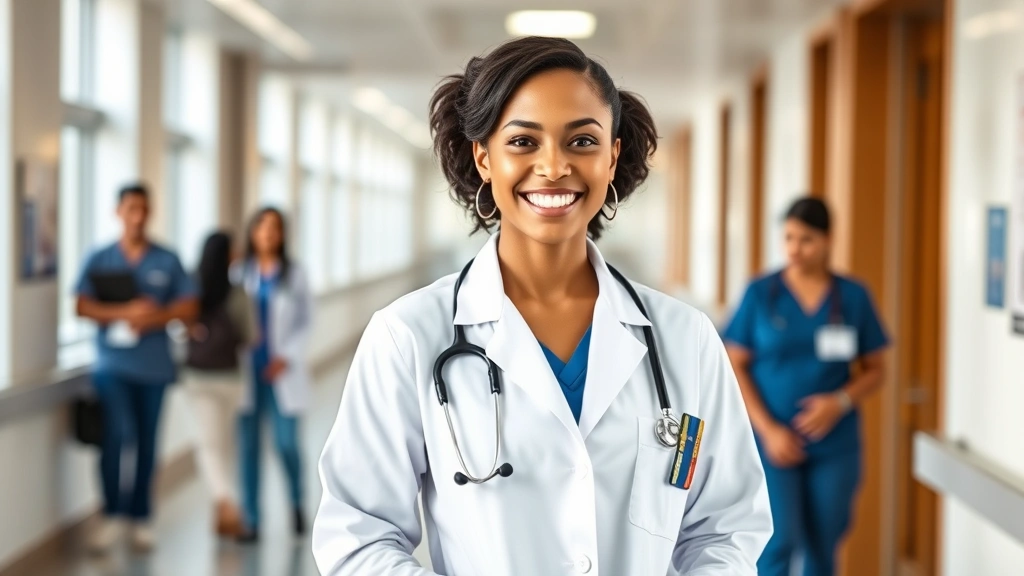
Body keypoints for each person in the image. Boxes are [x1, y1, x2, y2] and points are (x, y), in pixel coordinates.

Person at [312, 36, 772, 576]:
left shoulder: (684, 338)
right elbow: (358, 537)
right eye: (524, 142)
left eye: (581, 141)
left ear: (612, 156)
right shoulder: (408, 336)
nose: (553, 167)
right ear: (483, 156)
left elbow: (726, 527)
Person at [722, 197, 890, 576]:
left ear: (829, 240)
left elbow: (877, 369)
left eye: (806, 240)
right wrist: (768, 429)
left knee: (823, 545)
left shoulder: (852, 297)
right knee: (776, 541)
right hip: (772, 440)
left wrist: (841, 401)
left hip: (834, 443)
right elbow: (734, 364)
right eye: (788, 238)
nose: (795, 250)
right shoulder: (762, 293)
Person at [74, 183, 198, 552]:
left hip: (154, 368)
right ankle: (112, 512)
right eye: (131, 209)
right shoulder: (100, 257)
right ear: (118, 212)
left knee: (146, 443)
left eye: (144, 210)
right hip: (112, 366)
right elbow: (81, 305)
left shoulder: (166, 259)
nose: (138, 217)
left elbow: (189, 307)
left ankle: (141, 517)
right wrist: (124, 312)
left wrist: (154, 317)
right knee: (115, 436)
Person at [236, 208, 312, 542]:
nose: (268, 234)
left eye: (275, 228)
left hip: (281, 371)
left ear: (282, 235)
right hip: (246, 372)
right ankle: (251, 518)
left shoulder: (294, 274)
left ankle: (296, 501)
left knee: (286, 444)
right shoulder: (238, 274)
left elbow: (307, 320)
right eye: (262, 227)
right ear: (252, 233)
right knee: (248, 447)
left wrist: (288, 356)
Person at [183, 231, 256, 538]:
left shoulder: (190, 287)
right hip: (230, 376)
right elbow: (252, 336)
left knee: (209, 446)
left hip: (199, 377)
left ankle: (225, 505)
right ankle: (225, 507)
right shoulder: (239, 293)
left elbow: (180, 322)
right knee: (221, 444)